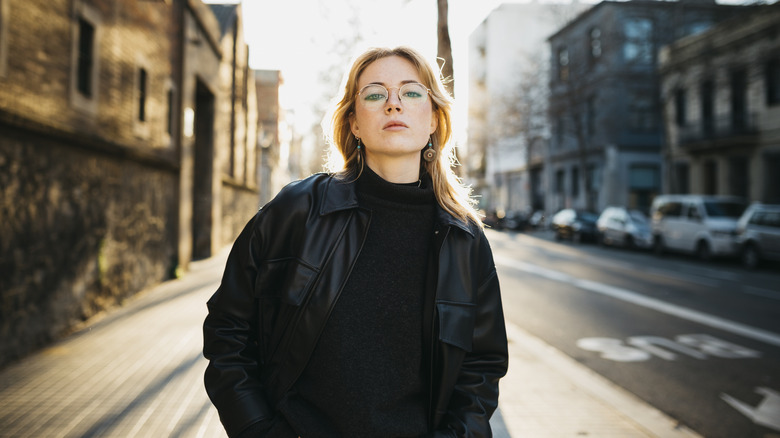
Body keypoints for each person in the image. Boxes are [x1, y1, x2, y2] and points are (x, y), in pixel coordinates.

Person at [203, 45, 508, 438]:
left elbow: (481, 366)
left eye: (411, 92)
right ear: (354, 123)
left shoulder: (464, 239)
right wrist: (258, 429)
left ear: (434, 118)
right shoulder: (298, 211)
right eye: (376, 94)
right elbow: (228, 329)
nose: (393, 104)